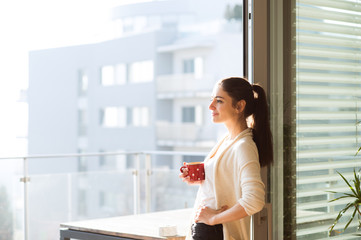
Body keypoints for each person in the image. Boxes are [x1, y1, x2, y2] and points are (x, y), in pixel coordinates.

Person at [179, 77, 273, 240]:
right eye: (211, 100)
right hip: (207, 230)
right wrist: (202, 175)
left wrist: (213, 218)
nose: (211, 106)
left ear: (239, 106)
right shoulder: (227, 140)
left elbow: (254, 201)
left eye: (219, 101)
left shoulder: (243, 146)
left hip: (216, 232)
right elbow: (226, 176)